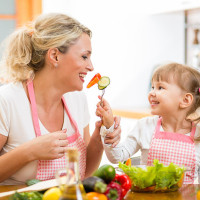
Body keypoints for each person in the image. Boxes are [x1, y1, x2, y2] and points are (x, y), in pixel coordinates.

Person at [0, 13, 121, 185]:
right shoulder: (7, 101)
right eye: (84, 56)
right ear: (55, 56)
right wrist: (29, 151)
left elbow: (84, 173)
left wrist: (100, 137)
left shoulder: (77, 100)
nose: (91, 66)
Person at [96, 63, 200, 184]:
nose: (151, 93)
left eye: (160, 88)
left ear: (185, 100)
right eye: (152, 87)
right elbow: (117, 157)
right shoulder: (144, 126)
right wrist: (109, 127)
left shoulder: (198, 135)